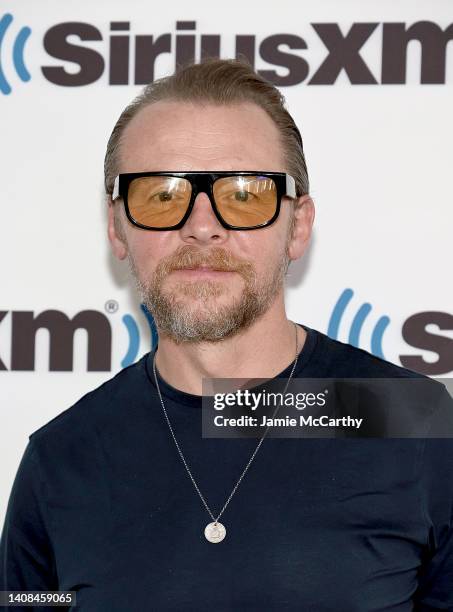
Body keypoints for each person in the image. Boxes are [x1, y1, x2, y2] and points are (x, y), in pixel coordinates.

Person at [1, 59, 452, 611]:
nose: (202, 224)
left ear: (298, 226)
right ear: (117, 228)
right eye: (161, 195)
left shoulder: (410, 421)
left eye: (245, 195)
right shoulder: (61, 459)